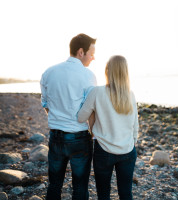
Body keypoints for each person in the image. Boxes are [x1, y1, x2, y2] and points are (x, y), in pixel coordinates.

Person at [40, 33, 97, 200]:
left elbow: (46, 104)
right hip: (79, 137)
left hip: (56, 136)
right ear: (81, 52)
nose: (93, 58)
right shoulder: (88, 76)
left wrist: (60, 119)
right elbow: (91, 109)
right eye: (91, 53)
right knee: (80, 188)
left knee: (54, 185)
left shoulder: (49, 72)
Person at [78, 55, 139, 200]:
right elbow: (135, 126)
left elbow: (81, 117)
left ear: (107, 71)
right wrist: (130, 143)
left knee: (103, 194)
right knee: (126, 194)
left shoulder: (96, 92)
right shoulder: (130, 95)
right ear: (125, 72)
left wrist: (94, 112)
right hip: (127, 151)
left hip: (103, 150)